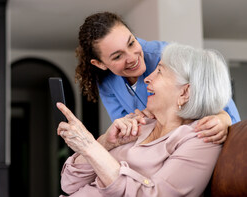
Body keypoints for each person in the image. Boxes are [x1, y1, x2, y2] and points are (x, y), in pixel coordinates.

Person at [57, 43, 232, 196]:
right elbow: (68, 183)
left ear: (184, 92)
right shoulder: (141, 124)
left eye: (160, 71)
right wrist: (105, 143)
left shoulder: (199, 140)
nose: (147, 78)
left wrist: (90, 147)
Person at [75, 11, 241, 144]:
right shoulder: (106, 83)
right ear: (100, 64)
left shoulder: (167, 56)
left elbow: (220, 99)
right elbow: (127, 132)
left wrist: (223, 119)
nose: (132, 57)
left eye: (132, 43)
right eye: (117, 56)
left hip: (196, 142)